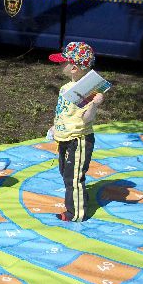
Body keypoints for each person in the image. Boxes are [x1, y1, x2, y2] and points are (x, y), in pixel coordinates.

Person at [48, 42, 104, 222]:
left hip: (79, 140)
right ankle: (80, 200)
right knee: (66, 172)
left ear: (73, 68)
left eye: (62, 62)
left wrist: (94, 104)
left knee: (73, 178)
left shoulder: (88, 91)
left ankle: (76, 214)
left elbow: (87, 119)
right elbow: (62, 111)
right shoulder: (65, 87)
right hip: (64, 137)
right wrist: (55, 126)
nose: (59, 64)